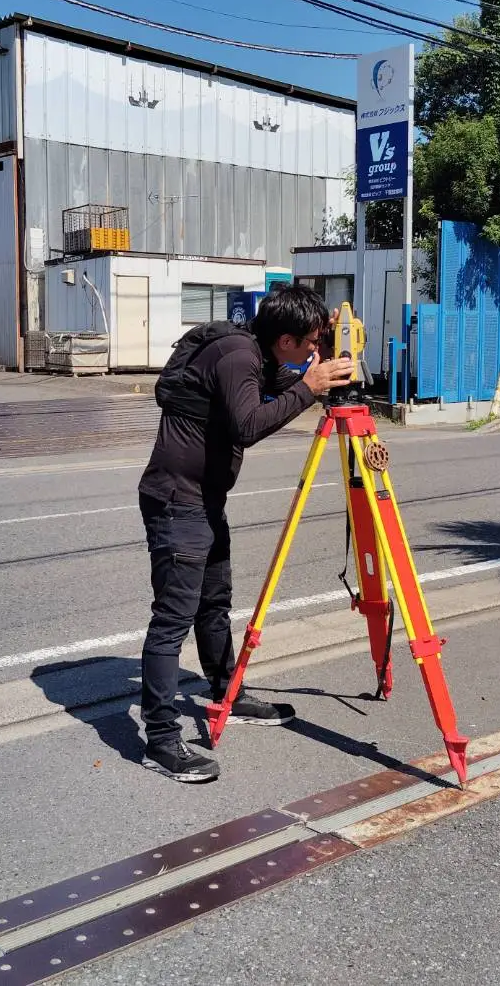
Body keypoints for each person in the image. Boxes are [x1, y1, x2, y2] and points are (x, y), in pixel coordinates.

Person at [136, 285, 356, 783]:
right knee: (172, 618)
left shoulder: (254, 353)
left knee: (214, 603)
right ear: (284, 339)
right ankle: (162, 740)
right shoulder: (238, 357)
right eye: (310, 343)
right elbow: (247, 425)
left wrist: (308, 376)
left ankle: (224, 693)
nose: (313, 352)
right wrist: (310, 386)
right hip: (177, 503)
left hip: (204, 501)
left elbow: (270, 390)